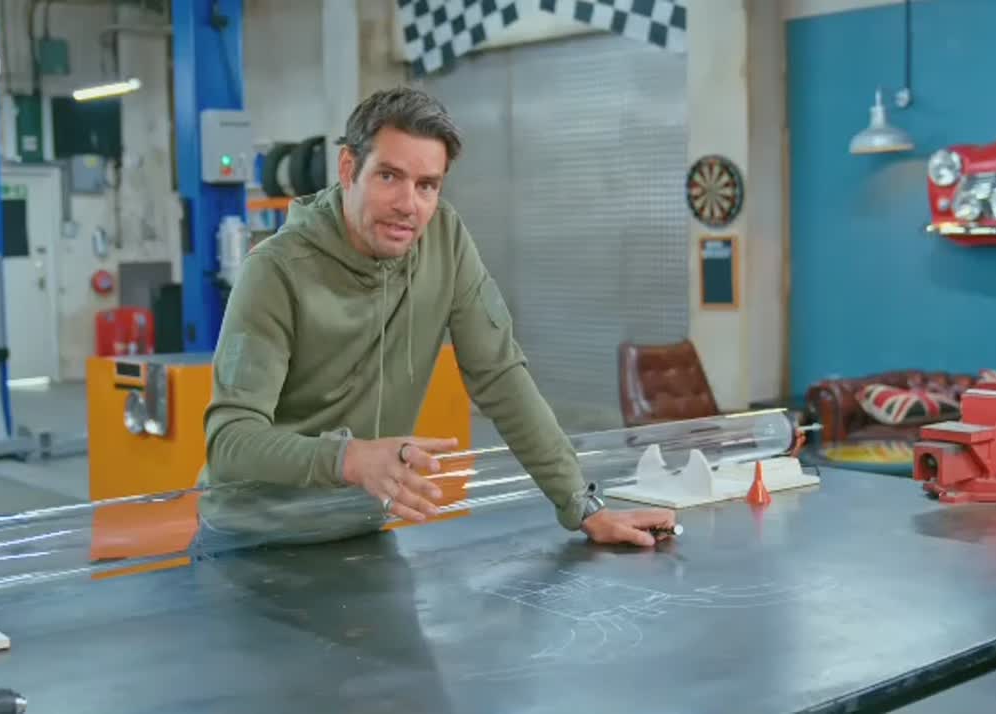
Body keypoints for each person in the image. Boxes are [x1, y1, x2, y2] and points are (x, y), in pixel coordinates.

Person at [196, 86, 675, 548]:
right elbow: (230, 440)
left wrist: (582, 504)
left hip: (357, 536)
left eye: (427, 185)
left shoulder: (444, 239)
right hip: (254, 542)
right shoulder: (275, 271)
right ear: (348, 168)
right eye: (389, 176)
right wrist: (348, 458)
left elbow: (500, 375)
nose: (409, 205)